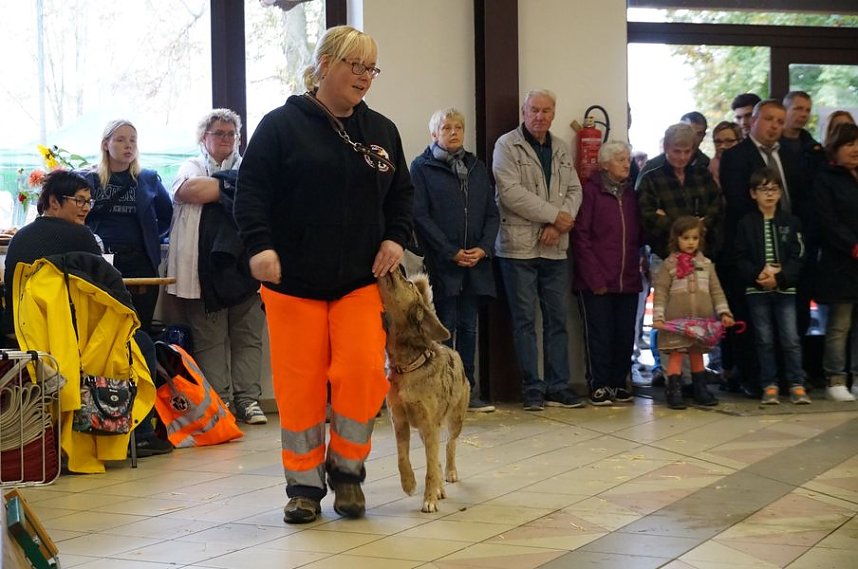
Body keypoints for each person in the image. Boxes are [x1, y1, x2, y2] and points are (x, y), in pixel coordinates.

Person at [234, 25, 414, 524]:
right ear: (325, 64)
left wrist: (395, 238)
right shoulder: (280, 127)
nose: (364, 77)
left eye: (371, 68)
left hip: (359, 280)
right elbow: (249, 195)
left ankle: (348, 474)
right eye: (355, 66)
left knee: (360, 374)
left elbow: (402, 196)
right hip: (293, 284)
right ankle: (304, 487)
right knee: (301, 387)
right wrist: (260, 247)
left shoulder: (382, 131)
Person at [3, 170, 171, 457]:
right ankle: (139, 433)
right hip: (77, 338)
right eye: (78, 201)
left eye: (88, 202)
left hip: (27, 335)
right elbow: (111, 292)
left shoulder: (19, 240)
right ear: (53, 202)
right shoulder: (82, 237)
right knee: (141, 341)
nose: (84, 208)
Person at [166, 109, 267, 425]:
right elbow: (191, 190)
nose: (226, 139)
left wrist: (219, 187)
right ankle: (218, 402)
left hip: (247, 270)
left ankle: (248, 400)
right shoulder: (191, 166)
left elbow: (264, 193)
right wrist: (233, 186)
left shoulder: (251, 167)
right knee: (209, 339)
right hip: (204, 271)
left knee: (248, 337)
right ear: (203, 137)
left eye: (231, 134)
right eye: (218, 133)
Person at [492, 89, 584, 411]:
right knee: (524, 321)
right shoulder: (506, 145)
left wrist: (560, 223)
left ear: (554, 113)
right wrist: (552, 215)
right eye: (534, 110)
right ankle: (533, 387)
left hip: (555, 247)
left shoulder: (559, 147)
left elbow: (574, 189)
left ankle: (559, 386)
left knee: (557, 320)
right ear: (523, 111)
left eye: (546, 111)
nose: (540, 116)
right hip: (518, 249)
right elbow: (510, 193)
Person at [410, 107, 499, 413]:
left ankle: (467, 391)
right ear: (434, 133)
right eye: (446, 127)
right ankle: (442, 393)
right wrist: (449, 250)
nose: (453, 132)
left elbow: (491, 212)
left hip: (476, 262)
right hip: (442, 262)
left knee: (470, 327)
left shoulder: (476, 167)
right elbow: (419, 215)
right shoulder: (421, 167)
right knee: (444, 327)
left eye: (458, 127)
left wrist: (483, 248)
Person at [719, 99, 801, 397]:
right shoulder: (736, 156)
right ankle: (755, 379)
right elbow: (739, 205)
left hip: (787, 244)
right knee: (754, 325)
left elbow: (799, 200)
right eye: (769, 119)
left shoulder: (791, 154)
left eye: (780, 121)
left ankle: (791, 379)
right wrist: (760, 265)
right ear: (753, 120)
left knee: (790, 326)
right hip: (752, 249)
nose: (775, 126)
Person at [638, 123, 723, 384]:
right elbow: (648, 216)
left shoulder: (701, 175)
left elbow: (715, 208)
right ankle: (671, 375)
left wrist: (682, 223)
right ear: (665, 148)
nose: (682, 157)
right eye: (677, 151)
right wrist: (685, 226)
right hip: (665, 256)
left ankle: (693, 375)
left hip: (698, 258)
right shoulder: (652, 176)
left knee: (695, 314)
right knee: (669, 317)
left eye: (687, 151)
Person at [83, 120, 173, 333]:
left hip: (140, 260)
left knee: (139, 327)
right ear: (106, 144)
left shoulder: (147, 179)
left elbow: (167, 215)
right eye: (121, 140)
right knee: (102, 329)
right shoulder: (89, 179)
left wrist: (152, 238)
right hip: (100, 259)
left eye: (133, 140)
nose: (128, 145)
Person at [571, 141, 643, 405]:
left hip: (628, 279)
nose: (627, 164)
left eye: (628, 159)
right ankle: (599, 384)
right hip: (596, 281)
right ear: (605, 165)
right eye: (621, 160)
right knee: (599, 334)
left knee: (625, 333)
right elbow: (581, 237)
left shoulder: (632, 195)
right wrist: (594, 278)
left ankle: (618, 382)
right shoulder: (591, 192)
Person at [735, 168, 810, 405]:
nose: (769, 194)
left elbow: (799, 255)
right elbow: (740, 256)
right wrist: (758, 275)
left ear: (780, 193)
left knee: (790, 338)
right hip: (757, 290)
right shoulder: (746, 223)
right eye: (763, 189)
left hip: (785, 290)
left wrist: (781, 277)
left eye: (774, 189)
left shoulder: (791, 221)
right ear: (752, 193)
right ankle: (769, 384)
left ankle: (796, 383)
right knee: (764, 339)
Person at [652, 216, 734, 409]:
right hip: (676, 322)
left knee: (697, 353)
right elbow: (661, 291)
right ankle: (674, 389)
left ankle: (700, 388)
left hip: (701, 321)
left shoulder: (706, 264)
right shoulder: (669, 265)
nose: (690, 242)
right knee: (677, 353)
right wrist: (658, 316)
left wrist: (724, 313)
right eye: (686, 238)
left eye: (694, 238)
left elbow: (716, 290)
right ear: (676, 239)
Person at [813, 123, 858, 402]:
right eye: (848, 144)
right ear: (835, 149)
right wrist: (853, 245)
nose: (855, 150)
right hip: (840, 261)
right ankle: (836, 377)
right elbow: (827, 221)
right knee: (839, 324)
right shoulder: (826, 179)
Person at [709, 121, 741, 187]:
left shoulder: (749, 164)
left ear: (740, 141)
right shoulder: (709, 170)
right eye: (718, 142)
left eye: (729, 141)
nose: (722, 146)